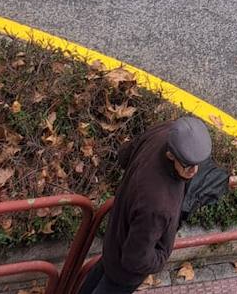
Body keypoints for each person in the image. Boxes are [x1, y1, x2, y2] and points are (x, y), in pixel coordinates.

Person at [77, 116, 212, 294]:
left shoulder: (164, 132)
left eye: (197, 164)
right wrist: (162, 257)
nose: (194, 172)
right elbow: (135, 259)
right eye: (187, 165)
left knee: (93, 281)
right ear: (171, 155)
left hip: (114, 241)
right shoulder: (158, 205)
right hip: (123, 273)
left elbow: (124, 155)